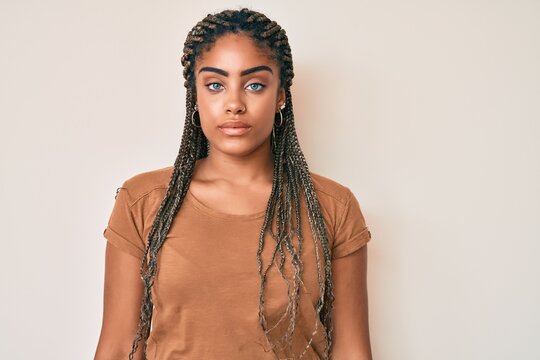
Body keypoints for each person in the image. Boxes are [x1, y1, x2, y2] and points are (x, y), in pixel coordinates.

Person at [94, 8, 373, 360]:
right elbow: (118, 347)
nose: (234, 104)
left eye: (254, 85)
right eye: (215, 85)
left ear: (281, 96)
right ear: (195, 95)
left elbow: (351, 350)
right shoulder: (144, 200)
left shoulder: (333, 206)